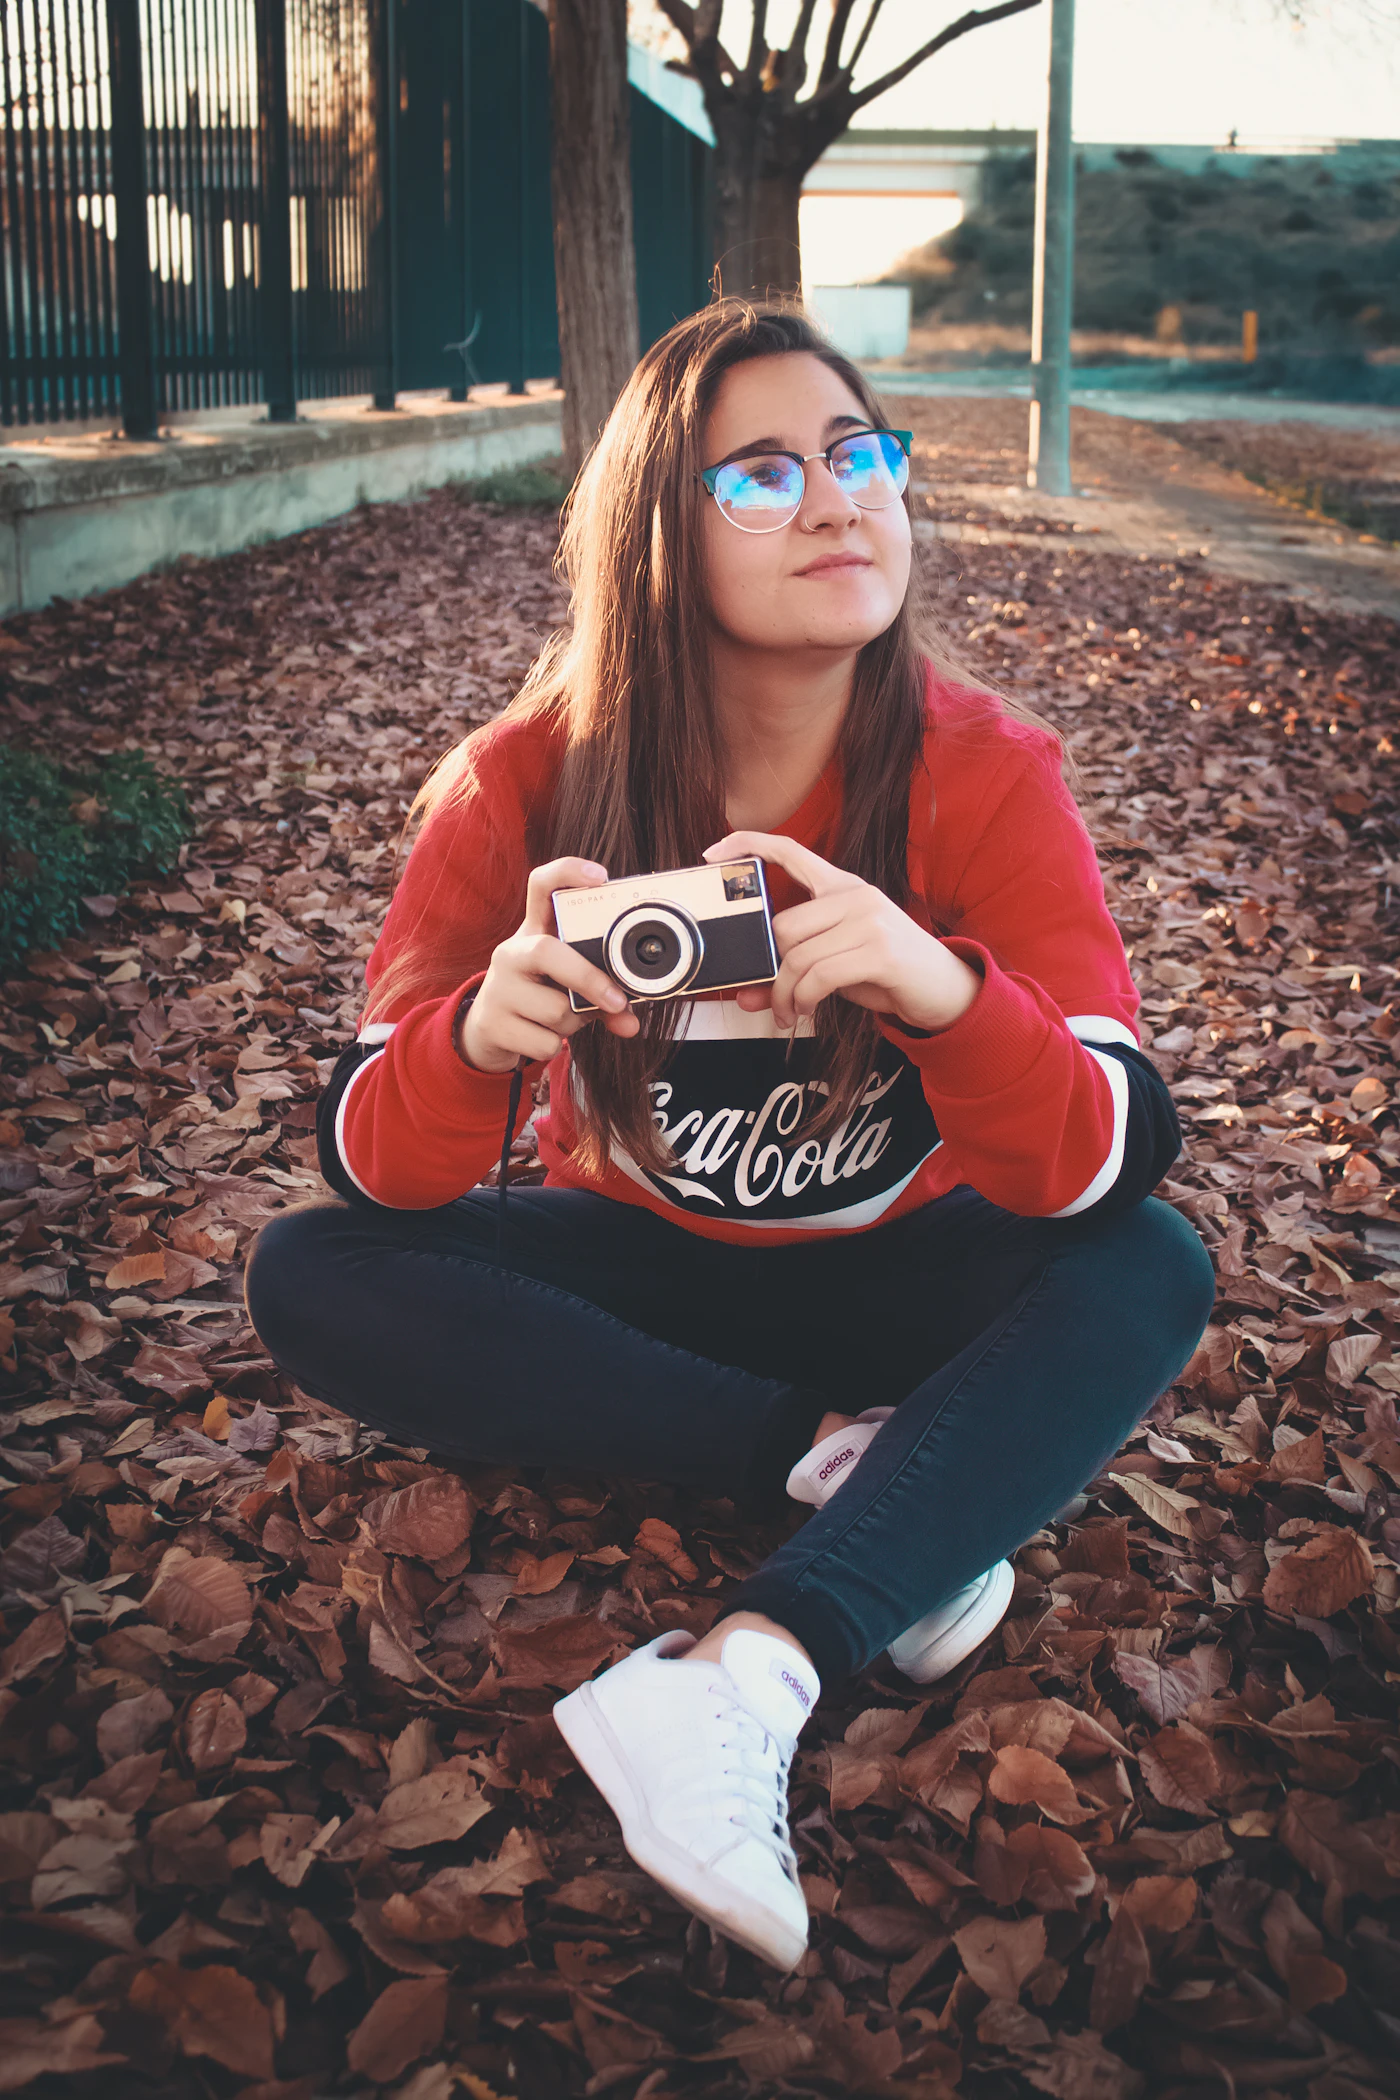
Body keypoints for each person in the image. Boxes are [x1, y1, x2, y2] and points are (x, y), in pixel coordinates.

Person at [245, 300, 1216, 1976]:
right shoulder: (522, 781)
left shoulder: (986, 772)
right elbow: (369, 1162)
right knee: (312, 1270)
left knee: (1148, 1261)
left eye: (859, 453)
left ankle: (753, 1669)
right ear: (654, 537)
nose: (844, 499)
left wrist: (937, 987)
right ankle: (844, 1461)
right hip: (650, 1276)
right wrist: (484, 1030)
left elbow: (1106, 1150)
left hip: (917, 1267)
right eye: (762, 474)